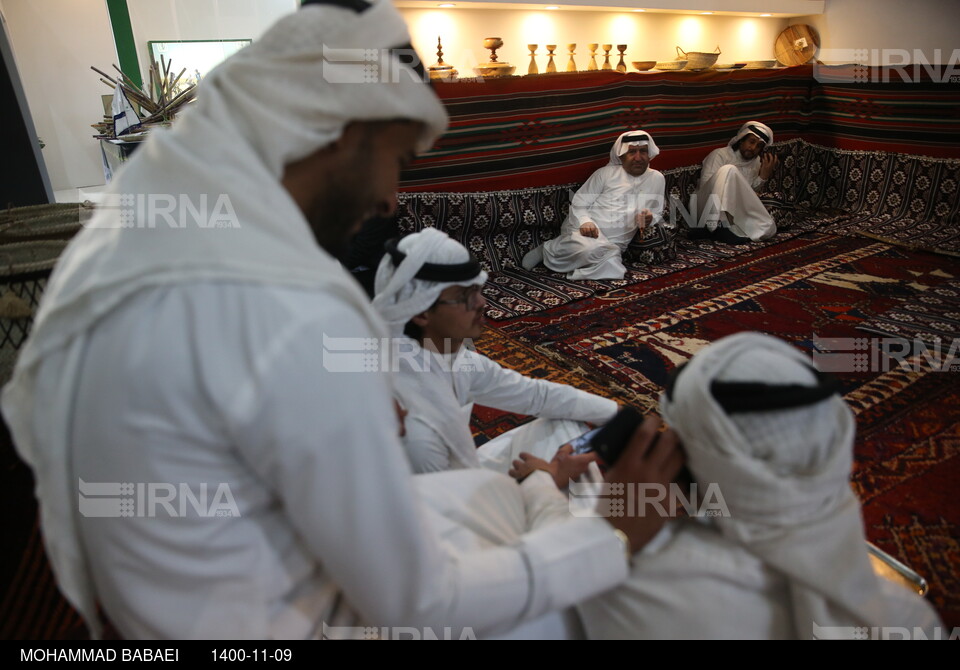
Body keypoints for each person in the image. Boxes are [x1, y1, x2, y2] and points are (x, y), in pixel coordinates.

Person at [1, 0, 681, 639]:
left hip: (204, 566)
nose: (390, 198)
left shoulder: (141, 218)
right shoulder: (289, 308)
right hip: (271, 617)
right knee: (611, 601)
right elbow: (417, 598)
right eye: (394, 160)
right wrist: (609, 537)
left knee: (510, 488)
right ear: (344, 130)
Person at [576, 332, 943, 639]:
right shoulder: (911, 619)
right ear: (831, 444)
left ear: (688, 453)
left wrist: (598, 517)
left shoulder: (632, 581)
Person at [372, 227, 618, 474]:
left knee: (565, 423)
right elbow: (448, 507)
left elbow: (536, 396)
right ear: (422, 311)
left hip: (462, 476)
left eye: (478, 289)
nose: (481, 304)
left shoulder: (449, 358)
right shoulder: (415, 433)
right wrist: (546, 479)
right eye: (465, 296)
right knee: (579, 493)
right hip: (446, 499)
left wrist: (619, 417)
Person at [522, 130, 666, 280]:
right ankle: (547, 250)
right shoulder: (605, 174)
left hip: (616, 243)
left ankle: (584, 261)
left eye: (643, 151)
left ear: (649, 154)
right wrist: (586, 221)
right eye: (632, 152)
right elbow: (579, 203)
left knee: (615, 270)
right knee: (588, 249)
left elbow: (657, 213)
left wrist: (650, 218)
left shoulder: (657, 178)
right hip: (586, 231)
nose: (638, 157)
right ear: (621, 155)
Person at [692, 121, 779, 244]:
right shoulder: (720, 154)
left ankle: (718, 230)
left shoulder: (756, 162)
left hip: (732, 211)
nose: (753, 148)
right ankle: (716, 226)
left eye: (758, 145)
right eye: (751, 142)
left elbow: (748, 194)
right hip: (705, 206)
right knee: (729, 169)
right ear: (741, 140)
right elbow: (706, 185)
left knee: (768, 227)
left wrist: (763, 176)